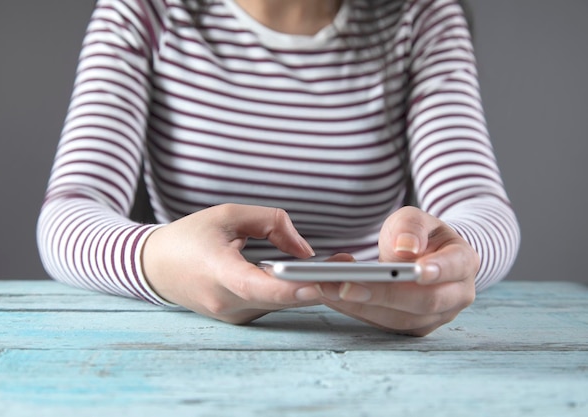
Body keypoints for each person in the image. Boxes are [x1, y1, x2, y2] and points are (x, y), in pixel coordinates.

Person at [37, 0, 520, 336]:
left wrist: (448, 261)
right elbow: (69, 214)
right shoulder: (143, 12)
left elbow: (479, 206)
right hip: (190, 341)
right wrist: (155, 260)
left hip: (371, 345)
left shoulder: (422, 17)